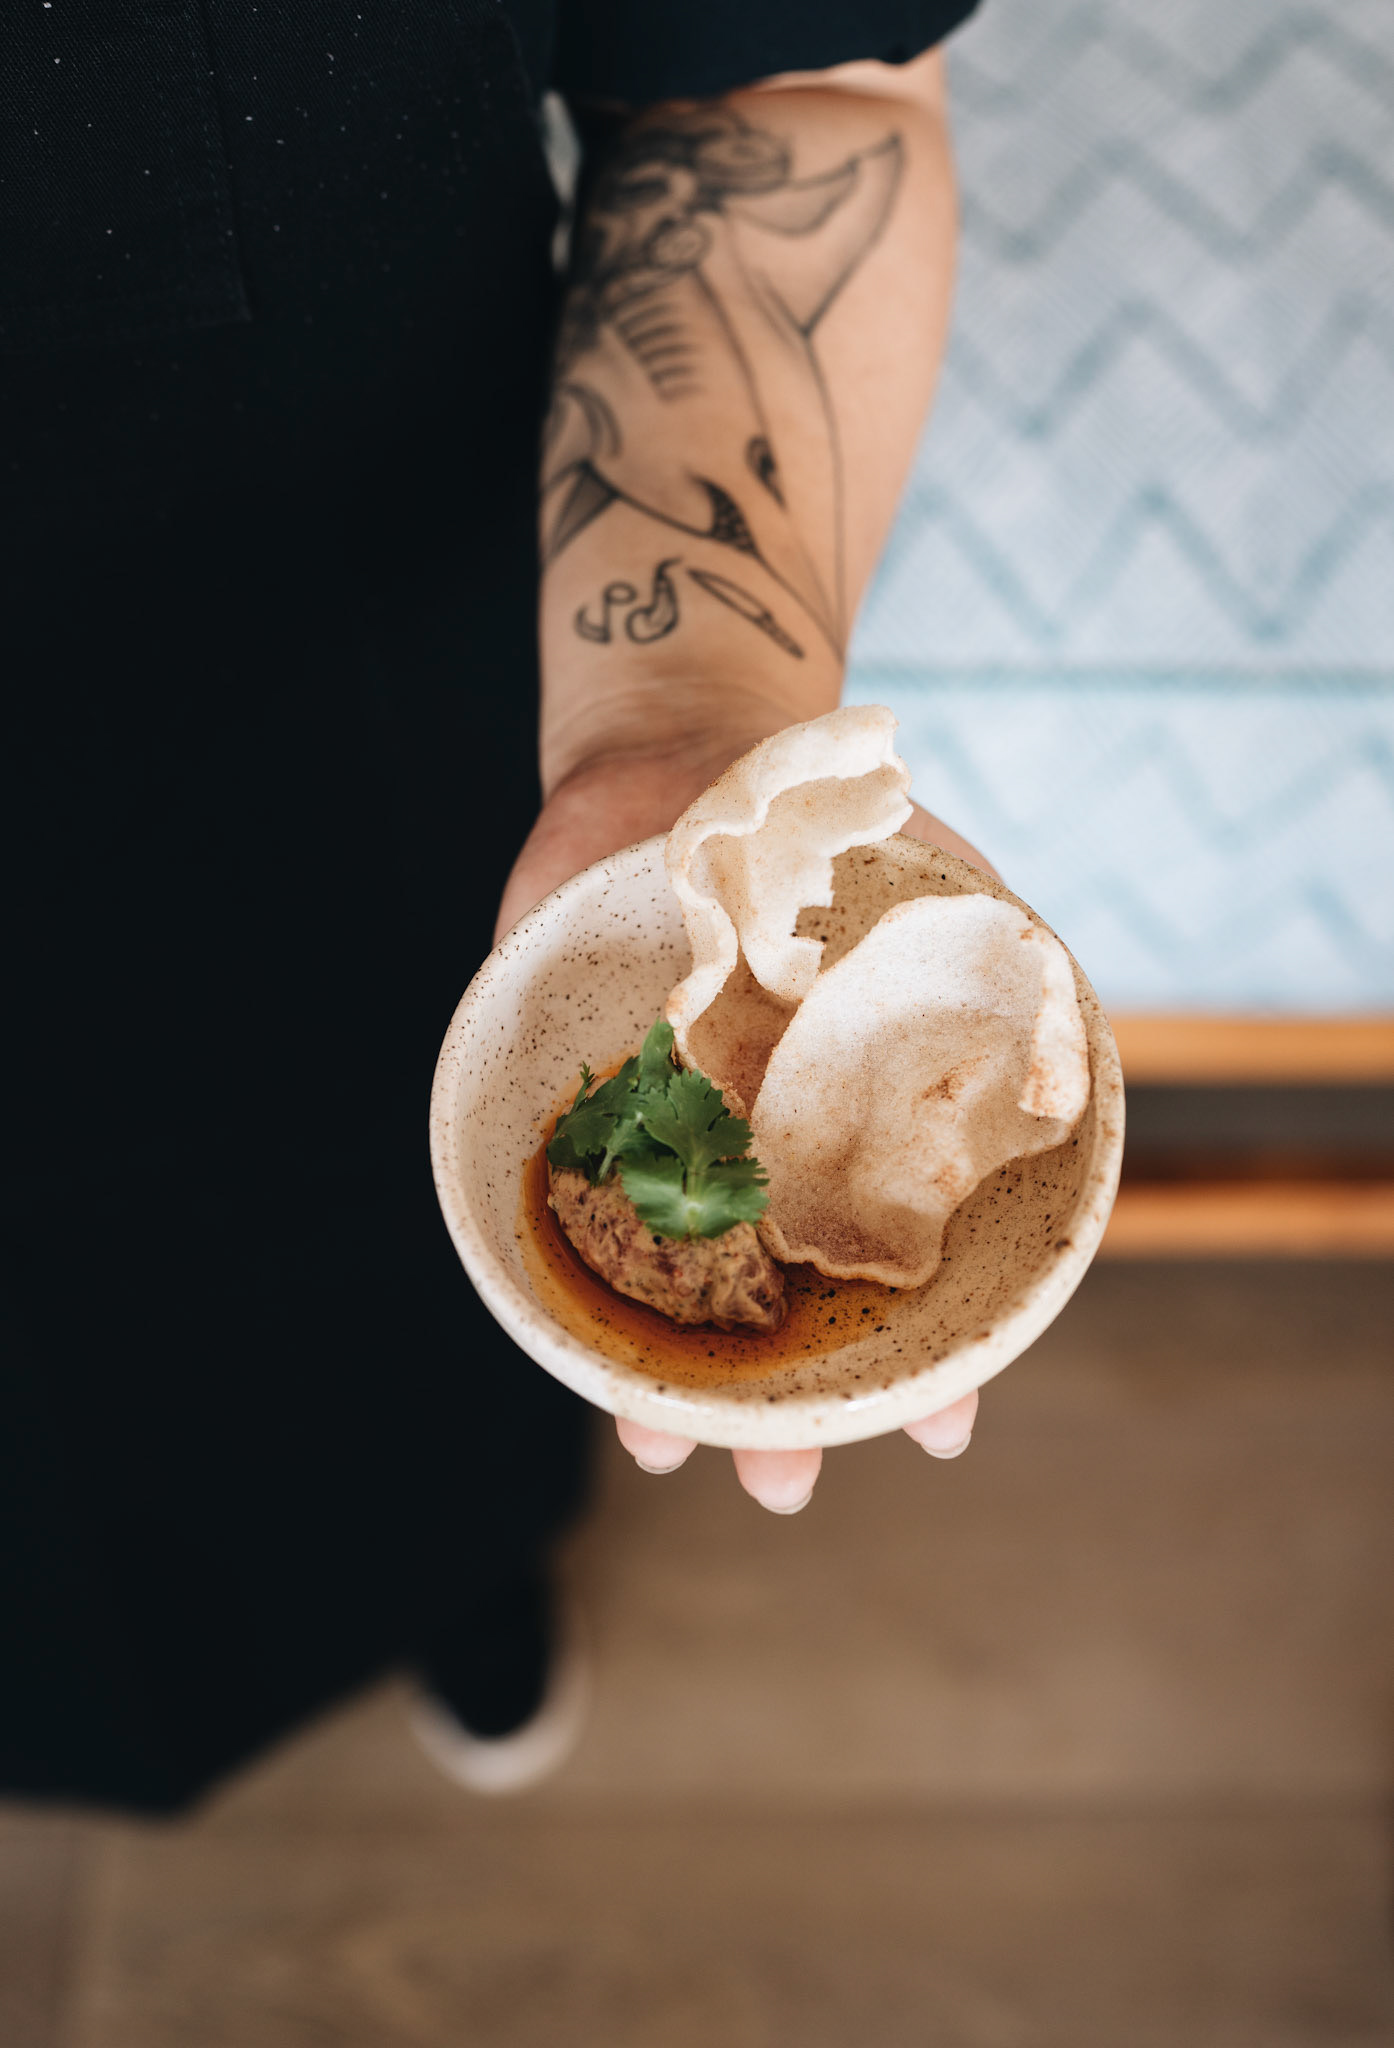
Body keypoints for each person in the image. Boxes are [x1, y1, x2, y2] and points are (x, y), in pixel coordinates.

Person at [2, 0, 982, 1811]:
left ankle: (446, 1580)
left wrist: (681, 717)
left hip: (373, 721)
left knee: (410, 1319)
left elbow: (778, 87)